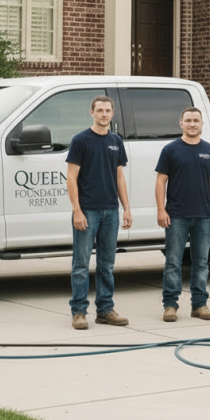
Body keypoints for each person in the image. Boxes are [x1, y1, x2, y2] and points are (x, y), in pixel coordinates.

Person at [67, 96, 133, 330]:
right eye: (100, 110)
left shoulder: (116, 141)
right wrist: (77, 211)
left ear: (112, 113)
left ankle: (105, 310)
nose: (104, 114)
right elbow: (71, 178)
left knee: (106, 264)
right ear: (91, 112)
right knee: (81, 264)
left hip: (111, 212)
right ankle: (79, 312)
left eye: (107, 110)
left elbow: (119, 177)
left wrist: (126, 208)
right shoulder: (81, 140)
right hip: (88, 212)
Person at [156, 107, 210, 322]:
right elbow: (161, 181)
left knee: (201, 262)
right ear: (181, 123)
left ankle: (199, 305)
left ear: (202, 124)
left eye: (196, 120)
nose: (192, 124)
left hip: (203, 216)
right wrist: (161, 209)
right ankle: (170, 306)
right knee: (173, 262)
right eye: (188, 120)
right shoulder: (170, 150)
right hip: (176, 215)